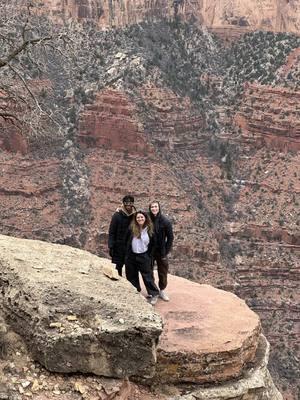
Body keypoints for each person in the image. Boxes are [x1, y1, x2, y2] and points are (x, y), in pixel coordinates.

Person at [125, 210, 160, 305]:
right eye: (138, 217)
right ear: (135, 219)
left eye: (142, 217)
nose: (140, 219)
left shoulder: (150, 230)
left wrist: (149, 255)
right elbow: (126, 241)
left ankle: (154, 294)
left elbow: (154, 244)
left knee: (147, 276)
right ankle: (136, 292)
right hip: (132, 255)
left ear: (145, 218)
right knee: (132, 275)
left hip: (144, 255)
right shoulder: (131, 229)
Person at [149, 201, 174, 301]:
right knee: (149, 271)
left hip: (161, 251)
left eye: (156, 207)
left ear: (159, 208)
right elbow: (137, 217)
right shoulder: (147, 218)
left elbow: (170, 237)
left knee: (163, 271)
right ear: (150, 208)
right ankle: (153, 291)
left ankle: (162, 290)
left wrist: (166, 251)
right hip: (150, 250)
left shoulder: (165, 221)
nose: (154, 209)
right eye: (152, 207)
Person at [108, 195, 136, 276]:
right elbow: (112, 232)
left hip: (130, 246)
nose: (128, 205)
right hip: (118, 246)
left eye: (130, 203)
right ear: (123, 203)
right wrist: (111, 246)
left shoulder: (135, 216)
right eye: (126, 203)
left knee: (130, 268)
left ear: (133, 204)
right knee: (118, 267)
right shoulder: (117, 216)